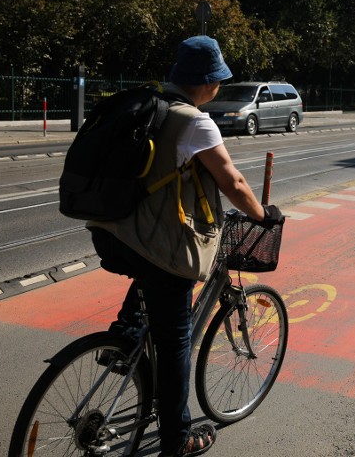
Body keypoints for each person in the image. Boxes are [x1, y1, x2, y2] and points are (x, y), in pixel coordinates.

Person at [87, 35, 282, 457]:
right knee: (176, 342)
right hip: (155, 246)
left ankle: (127, 338)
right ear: (209, 82)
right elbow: (232, 181)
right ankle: (177, 438)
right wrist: (261, 215)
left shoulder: (151, 108)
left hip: (112, 232)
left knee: (150, 280)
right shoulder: (195, 121)